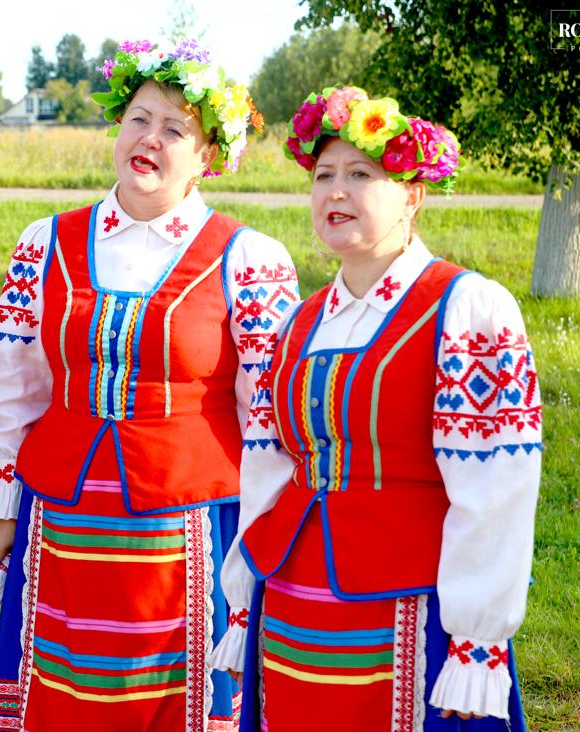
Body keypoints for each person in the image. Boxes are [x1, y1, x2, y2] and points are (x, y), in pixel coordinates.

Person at [0, 39, 300, 732]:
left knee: (170, 693)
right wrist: (4, 505)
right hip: (61, 516)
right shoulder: (45, 242)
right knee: (61, 687)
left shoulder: (248, 257)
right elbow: (17, 388)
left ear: (209, 156)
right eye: (139, 120)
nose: (150, 138)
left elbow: (268, 413)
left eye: (175, 129)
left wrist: (263, 536)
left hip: (185, 525)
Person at [210, 86, 542, 731]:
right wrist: (244, 597)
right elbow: (267, 468)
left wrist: (477, 640)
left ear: (412, 194)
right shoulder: (299, 323)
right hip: (292, 604)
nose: (336, 192)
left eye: (361, 175)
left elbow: (496, 487)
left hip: (409, 608)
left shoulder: (465, 308)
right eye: (324, 175)